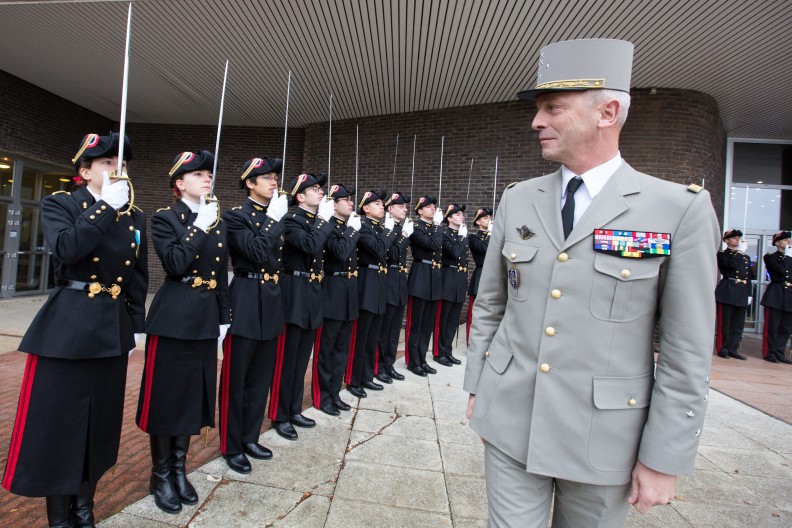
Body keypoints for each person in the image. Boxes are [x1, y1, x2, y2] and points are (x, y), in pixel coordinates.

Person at [464, 38, 720, 527]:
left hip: (605, 436)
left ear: (607, 112)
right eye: (539, 110)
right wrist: (479, 383)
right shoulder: (518, 199)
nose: (536, 122)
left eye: (553, 108)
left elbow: (687, 345)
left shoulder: (676, 209)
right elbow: (492, 302)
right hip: (511, 417)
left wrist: (665, 455)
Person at [2, 132, 146, 528]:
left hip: (112, 327)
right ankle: (58, 513)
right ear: (84, 171)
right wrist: (102, 209)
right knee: (60, 422)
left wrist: (135, 326)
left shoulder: (133, 215)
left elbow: (137, 277)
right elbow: (67, 249)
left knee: (99, 422)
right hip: (69, 325)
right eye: (106, 163)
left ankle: (85, 503)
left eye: (122, 163)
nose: (118, 169)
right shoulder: (61, 204)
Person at [136, 150, 231, 514]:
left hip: (206, 316)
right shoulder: (165, 218)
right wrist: (198, 225)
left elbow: (221, 273)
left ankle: (179, 468)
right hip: (174, 316)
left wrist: (225, 316)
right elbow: (175, 263)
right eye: (198, 174)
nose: (207, 178)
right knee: (167, 398)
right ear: (179, 183)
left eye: (209, 173)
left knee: (194, 396)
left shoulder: (216, 220)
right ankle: (160, 474)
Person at [218, 156, 289, 474]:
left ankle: (249, 437)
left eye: (275, 177)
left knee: (261, 378)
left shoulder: (277, 214)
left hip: (272, 300)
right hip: (245, 299)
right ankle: (231, 445)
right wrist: (274, 221)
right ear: (249, 183)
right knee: (237, 379)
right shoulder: (235, 217)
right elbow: (256, 252)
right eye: (266, 177)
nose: (273, 181)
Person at [269, 173, 334, 440]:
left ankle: (293, 408)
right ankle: (279, 414)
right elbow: (309, 244)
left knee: (301, 358)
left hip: (312, 292)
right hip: (293, 292)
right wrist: (324, 221)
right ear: (300, 196)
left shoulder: (314, 221)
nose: (321, 193)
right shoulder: (291, 220)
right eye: (315, 189)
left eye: (321, 189)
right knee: (287, 359)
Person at [311, 183, 361, 415]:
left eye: (351, 200)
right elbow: (340, 253)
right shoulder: (328, 226)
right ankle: (322, 396)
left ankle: (334, 392)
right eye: (346, 200)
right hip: (332, 289)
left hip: (349, 290)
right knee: (327, 348)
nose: (351, 203)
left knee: (342, 348)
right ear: (334, 203)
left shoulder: (348, 225)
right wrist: (352, 231)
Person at [346, 190, 398, 397]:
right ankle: (354, 379)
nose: (382, 207)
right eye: (376, 204)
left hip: (379, 284)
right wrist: (389, 231)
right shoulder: (363, 227)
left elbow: (391, 253)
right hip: (366, 283)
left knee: (372, 335)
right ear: (365, 208)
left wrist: (389, 231)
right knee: (361, 336)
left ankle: (367, 375)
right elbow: (378, 249)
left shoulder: (379, 227)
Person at [405, 195, 445, 377]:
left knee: (427, 323)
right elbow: (434, 245)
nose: (432, 209)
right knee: (416, 323)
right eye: (428, 207)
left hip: (434, 277)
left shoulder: (434, 227)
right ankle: (413, 361)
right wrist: (437, 226)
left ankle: (422, 359)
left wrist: (436, 227)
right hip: (420, 275)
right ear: (419, 211)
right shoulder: (416, 227)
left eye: (433, 207)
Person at [376, 192, 414, 382]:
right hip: (388, 278)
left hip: (399, 279)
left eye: (405, 206)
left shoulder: (398, 228)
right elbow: (392, 254)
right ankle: (379, 366)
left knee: (394, 329)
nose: (405, 209)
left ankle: (388, 364)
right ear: (389, 209)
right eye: (401, 206)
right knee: (385, 328)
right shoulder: (385, 228)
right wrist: (405, 235)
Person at [434, 203, 469, 366]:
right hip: (448, 278)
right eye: (457, 215)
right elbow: (453, 252)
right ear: (449, 218)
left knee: (454, 319)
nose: (461, 217)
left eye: (462, 214)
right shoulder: (445, 233)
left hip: (459, 279)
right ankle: (438, 352)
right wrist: (462, 237)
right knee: (444, 318)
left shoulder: (461, 233)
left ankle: (447, 350)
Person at [714, 229, 751, 360]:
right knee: (725, 323)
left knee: (738, 324)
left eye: (738, 238)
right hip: (728, 290)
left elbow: (748, 276)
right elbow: (730, 265)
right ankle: (723, 348)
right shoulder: (723, 254)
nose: (737, 240)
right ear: (727, 240)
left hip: (741, 291)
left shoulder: (745, 257)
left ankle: (733, 349)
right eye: (734, 238)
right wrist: (739, 252)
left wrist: (749, 293)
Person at [760, 230, 792, 364]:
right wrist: (787, 257)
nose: (789, 242)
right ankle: (770, 352)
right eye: (785, 240)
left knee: (786, 328)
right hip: (776, 294)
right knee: (772, 326)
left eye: (789, 240)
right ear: (777, 243)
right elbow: (779, 270)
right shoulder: (770, 257)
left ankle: (780, 352)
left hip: (789, 295)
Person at [466, 208, 492, 345]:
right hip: (481, 275)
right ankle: (472, 342)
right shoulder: (474, 237)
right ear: (478, 221)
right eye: (486, 218)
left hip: (493, 276)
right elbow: (483, 249)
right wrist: (490, 234)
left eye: (490, 217)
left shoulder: (495, 236)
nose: (490, 220)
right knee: (475, 314)